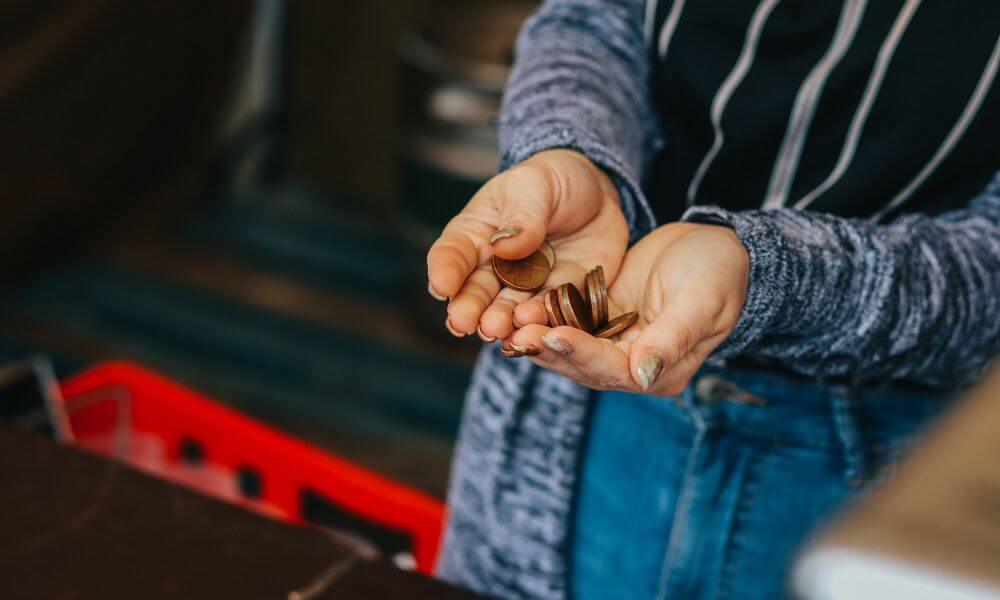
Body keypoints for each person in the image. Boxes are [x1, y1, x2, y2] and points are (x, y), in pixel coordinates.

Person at [426, 1, 1000, 598]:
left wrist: (771, 278)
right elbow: (594, 18)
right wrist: (571, 150)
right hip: (576, 386)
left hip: (882, 472)